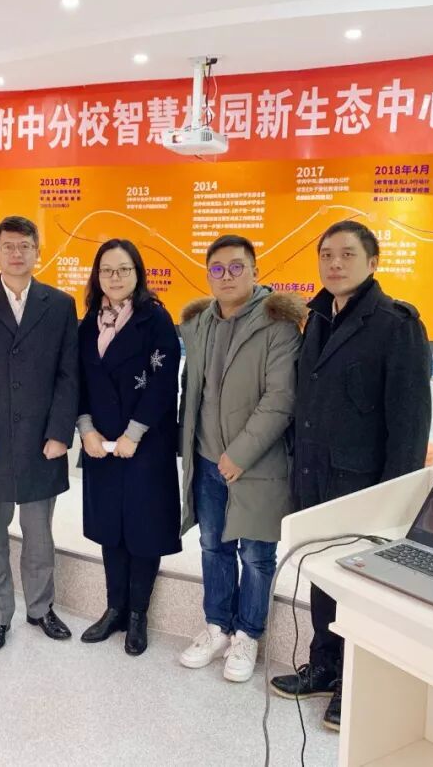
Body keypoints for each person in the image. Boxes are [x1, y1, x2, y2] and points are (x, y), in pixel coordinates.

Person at [270, 220, 432, 731]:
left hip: (363, 485)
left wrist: (395, 500)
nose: (335, 264)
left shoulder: (396, 325)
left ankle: (354, 682)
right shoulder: (318, 316)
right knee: (322, 574)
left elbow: (409, 423)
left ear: (372, 262)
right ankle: (323, 666)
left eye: (346, 254)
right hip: (315, 478)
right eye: (326, 255)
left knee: (360, 584)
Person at [178, 234, 305, 683]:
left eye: (236, 267)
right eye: (217, 269)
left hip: (257, 464)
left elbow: (281, 399)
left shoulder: (278, 326)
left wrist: (240, 454)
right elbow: (192, 391)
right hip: (206, 459)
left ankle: (248, 634)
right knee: (212, 546)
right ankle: (217, 627)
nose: (227, 276)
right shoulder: (199, 324)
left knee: (255, 554)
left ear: (255, 270)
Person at [0, 215, 79, 652]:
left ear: (37, 251)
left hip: (43, 443)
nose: (17, 253)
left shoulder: (59, 305)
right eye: (8, 246)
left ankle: (40, 609)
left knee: (40, 537)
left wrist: (60, 433)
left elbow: (68, 375)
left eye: (25, 245)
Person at [76, 239, 182, 656]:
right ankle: (114, 609)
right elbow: (76, 380)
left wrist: (133, 434)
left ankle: (138, 615)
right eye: (107, 270)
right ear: (97, 276)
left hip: (145, 444)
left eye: (123, 269)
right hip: (100, 444)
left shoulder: (154, 318)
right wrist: (85, 429)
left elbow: (163, 383)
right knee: (110, 529)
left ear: (138, 274)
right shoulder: (89, 322)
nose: (115, 277)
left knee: (143, 529)